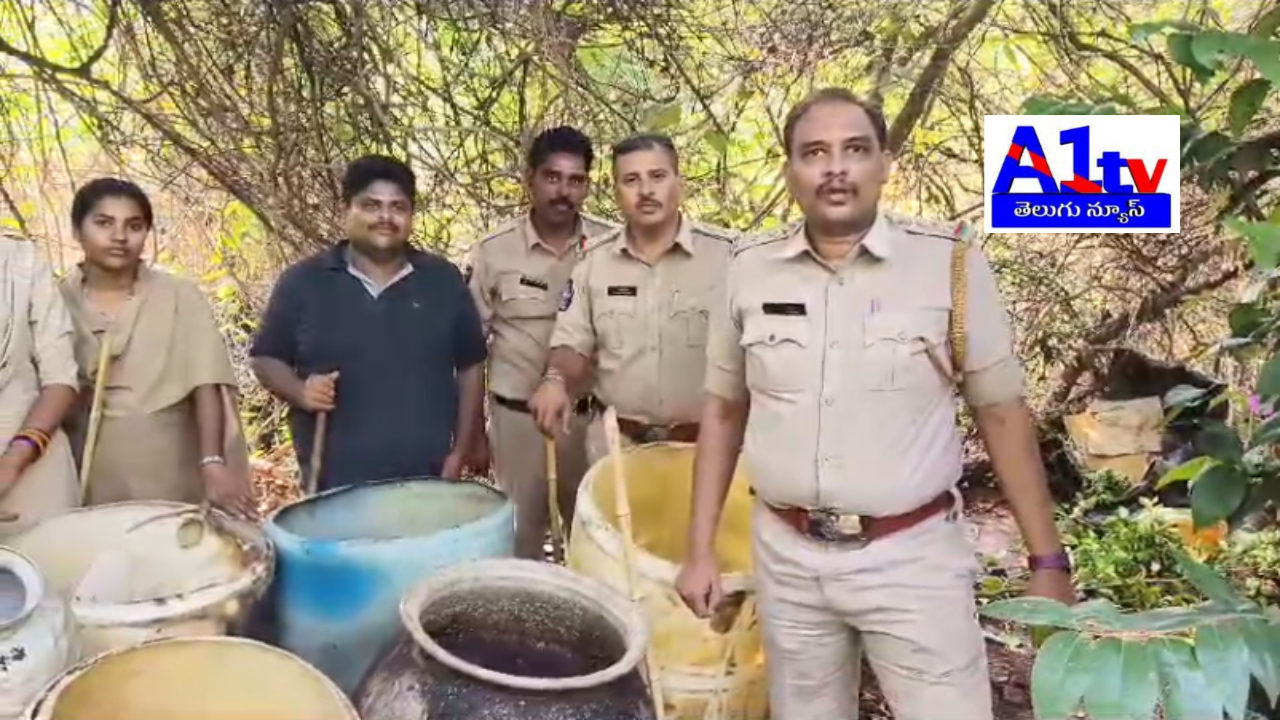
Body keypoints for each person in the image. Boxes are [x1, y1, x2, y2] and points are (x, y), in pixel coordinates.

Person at [675, 88, 1074, 720]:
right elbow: (724, 410)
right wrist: (699, 550)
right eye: (814, 153)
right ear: (790, 171)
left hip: (911, 561)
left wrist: (1046, 559)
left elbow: (1001, 414)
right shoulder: (749, 270)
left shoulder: (948, 264)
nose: (835, 168)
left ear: (885, 164)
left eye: (854, 150)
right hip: (788, 557)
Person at [250, 155, 487, 491]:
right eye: (371, 205)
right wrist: (301, 392)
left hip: (427, 483)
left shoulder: (442, 281)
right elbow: (265, 359)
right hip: (334, 488)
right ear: (347, 209)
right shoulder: (304, 283)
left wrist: (460, 451)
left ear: (410, 215)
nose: (385, 217)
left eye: (398, 207)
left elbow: (470, 367)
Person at [529, 133, 736, 464]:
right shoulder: (593, 261)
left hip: (708, 446)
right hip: (617, 446)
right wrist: (555, 380)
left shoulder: (730, 257)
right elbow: (572, 342)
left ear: (679, 183)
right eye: (631, 180)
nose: (646, 191)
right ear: (616, 191)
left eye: (657, 176)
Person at [58, 177, 256, 516]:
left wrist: (212, 461)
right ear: (77, 230)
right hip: (87, 463)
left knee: (176, 551)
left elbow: (206, 382)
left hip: (170, 461)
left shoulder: (179, 295)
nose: (120, 236)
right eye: (104, 223)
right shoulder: (56, 300)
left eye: (134, 225)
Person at [466, 126, 616, 559]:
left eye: (575, 180)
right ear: (529, 178)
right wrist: (475, 432)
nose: (563, 191)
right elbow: (473, 349)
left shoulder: (609, 245)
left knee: (597, 539)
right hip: (518, 424)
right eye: (552, 177)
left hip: (588, 421)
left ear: (588, 184)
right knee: (519, 540)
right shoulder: (494, 252)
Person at [0, 235, 81, 536]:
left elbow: (60, 378)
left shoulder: (22, 260)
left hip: (32, 468)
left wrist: (12, 464)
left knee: (47, 575)